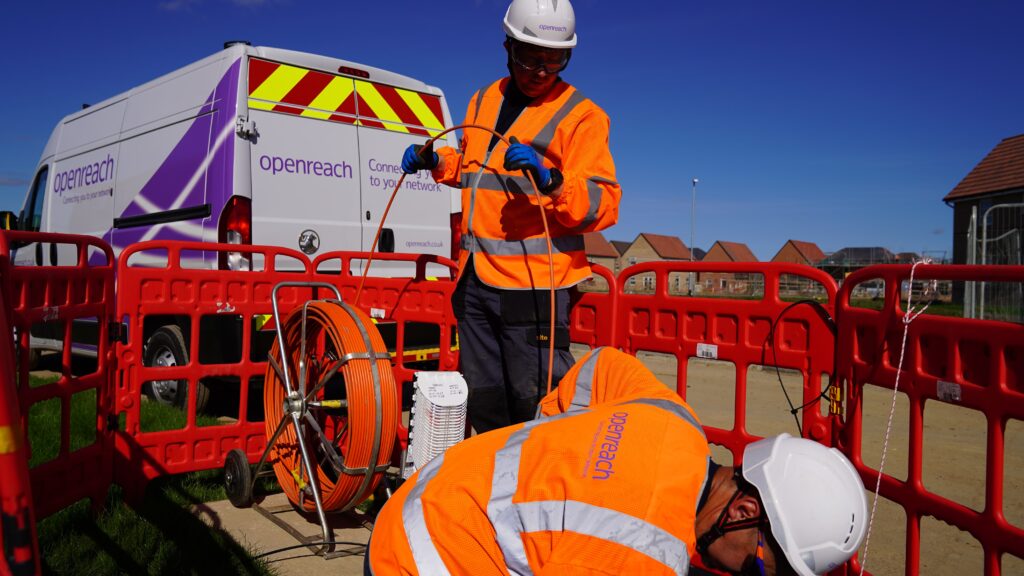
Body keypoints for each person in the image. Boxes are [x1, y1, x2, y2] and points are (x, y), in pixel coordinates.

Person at [366, 347, 869, 575]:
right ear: (741, 512)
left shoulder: (677, 423)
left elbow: (602, 365)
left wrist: (554, 431)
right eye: (758, 571)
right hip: (418, 559)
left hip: (432, 492)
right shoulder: (644, 552)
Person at [401, 0, 622, 434]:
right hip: (476, 278)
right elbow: (472, 166)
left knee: (536, 401)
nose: (542, 70)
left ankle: (539, 490)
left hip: (534, 285)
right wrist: (434, 161)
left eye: (555, 60)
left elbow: (603, 203)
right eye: (530, 58)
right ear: (507, 47)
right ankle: (490, 483)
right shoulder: (483, 99)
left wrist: (553, 180)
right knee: (482, 396)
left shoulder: (583, 117)